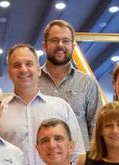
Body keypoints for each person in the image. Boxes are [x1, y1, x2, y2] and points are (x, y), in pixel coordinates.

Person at [0, 43, 85, 165]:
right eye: (16, 65)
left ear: (39, 70)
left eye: (29, 63)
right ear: (9, 73)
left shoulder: (61, 107)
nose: (23, 69)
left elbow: (77, 154)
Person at [39, 19, 103, 147]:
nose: (60, 45)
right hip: (40, 160)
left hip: (78, 162)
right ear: (44, 46)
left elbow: (97, 127)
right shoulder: (32, 82)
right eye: (54, 40)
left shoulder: (88, 83)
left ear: (73, 46)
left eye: (65, 41)